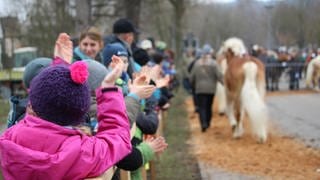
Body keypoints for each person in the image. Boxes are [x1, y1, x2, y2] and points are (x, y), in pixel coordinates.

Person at [0, 39, 132, 179]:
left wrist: (59, 67)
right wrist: (108, 88)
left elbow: (46, 96)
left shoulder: (12, 137)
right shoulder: (83, 152)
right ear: (81, 112)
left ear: (31, 106)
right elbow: (117, 138)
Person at [190, 44, 224, 132]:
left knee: (202, 107)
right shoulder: (214, 63)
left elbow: (192, 77)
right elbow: (219, 75)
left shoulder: (197, 63)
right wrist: (224, 84)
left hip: (199, 89)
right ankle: (208, 122)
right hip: (211, 89)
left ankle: (203, 123)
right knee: (209, 106)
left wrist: (193, 85)